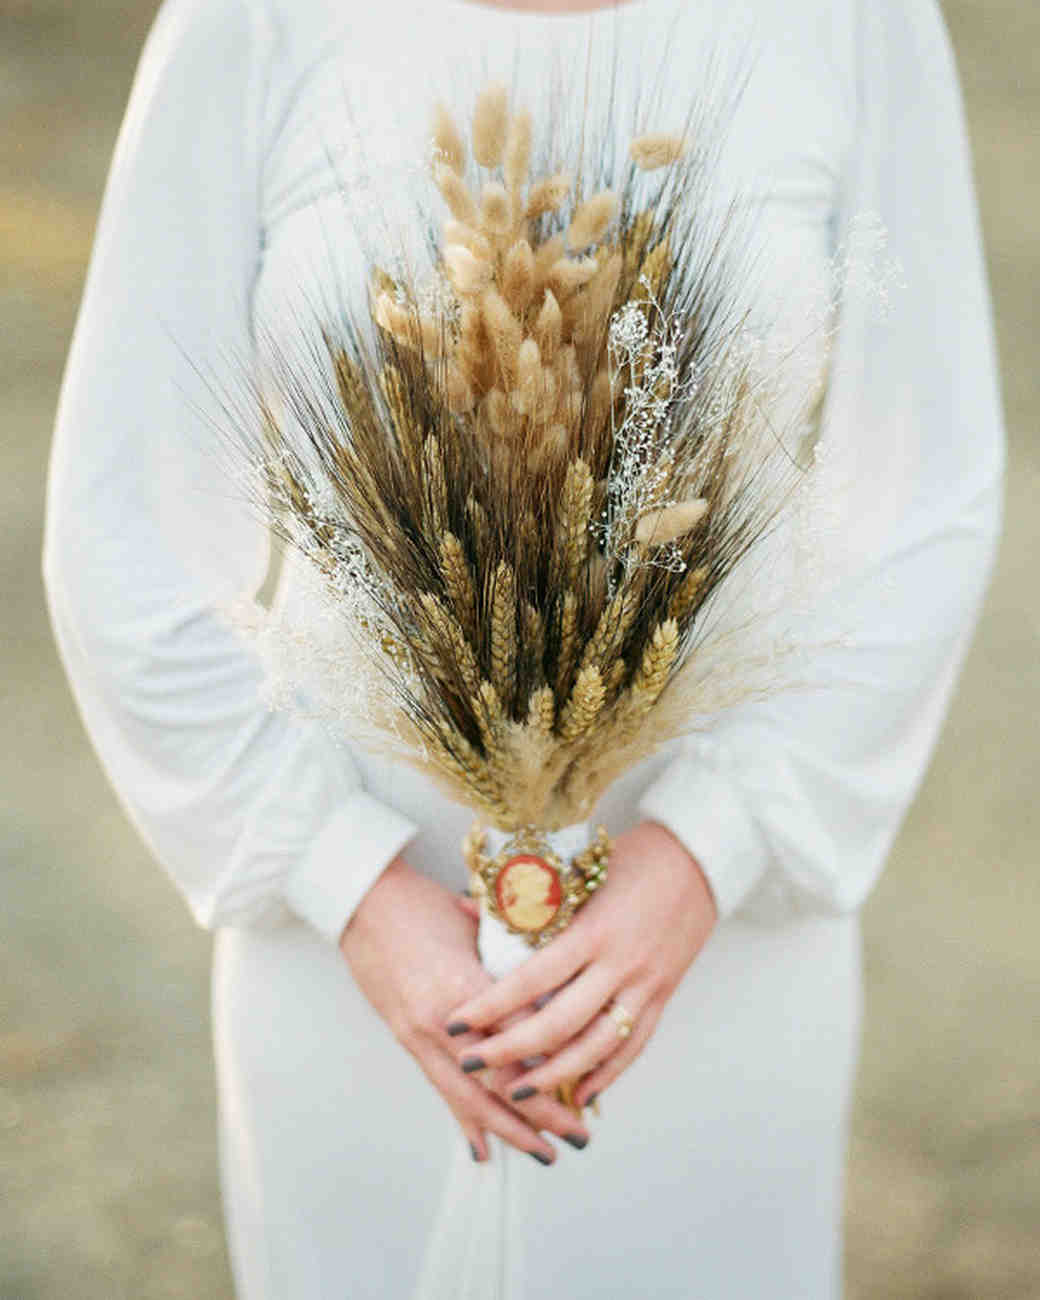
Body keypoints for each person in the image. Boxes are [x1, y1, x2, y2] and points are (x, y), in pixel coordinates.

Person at [42, 0, 1004, 1295]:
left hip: (715, 944)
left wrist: (703, 857)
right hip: (351, 954)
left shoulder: (854, 22)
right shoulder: (251, 24)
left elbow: (923, 496)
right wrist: (352, 887)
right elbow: (123, 523)